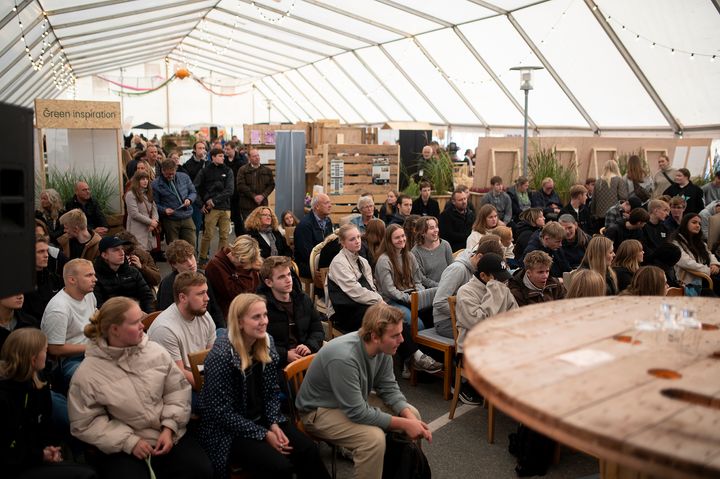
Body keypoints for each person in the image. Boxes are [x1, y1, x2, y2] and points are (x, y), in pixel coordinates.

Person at [68, 297, 212, 479]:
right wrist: (129, 442)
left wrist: (170, 427)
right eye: (135, 322)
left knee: (200, 470)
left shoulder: (156, 352)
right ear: (115, 330)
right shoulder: (88, 373)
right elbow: (86, 422)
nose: (142, 326)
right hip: (123, 446)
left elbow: (177, 391)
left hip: (167, 435)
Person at [197, 294, 329, 479]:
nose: (264, 321)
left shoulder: (266, 343)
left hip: (263, 418)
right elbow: (220, 413)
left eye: (265, 315)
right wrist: (264, 434)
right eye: (256, 317)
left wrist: (274, 424)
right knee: (280, 467)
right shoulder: (221, 356)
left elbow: (271, 391)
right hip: (229, 430)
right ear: (240, 322)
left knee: (307, 449)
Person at [295, 303, 432, 479]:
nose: (402, 340)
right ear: (375, 336)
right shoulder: (344, 357)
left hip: (350, 401)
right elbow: (357, 413)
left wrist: (409, 417)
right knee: (372, 440)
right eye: (395, 335)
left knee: (413, 414)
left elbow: (388, 388)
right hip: (318, 411)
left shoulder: (383, 348)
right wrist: (404, 424)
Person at [0, 329, 97, 479]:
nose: (48, 356)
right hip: (13, 465)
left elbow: (43, 427)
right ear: (33, 359)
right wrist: (39, 455)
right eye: (45, 351)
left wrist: (48, 450)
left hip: (31, 457)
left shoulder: (39, 384)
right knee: (87, 475)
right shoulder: (4, 395)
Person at [455, 253, 517, 405]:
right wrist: (494, 292)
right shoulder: (466, 292)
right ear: (483, 275)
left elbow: (516, 316)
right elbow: (481, 324)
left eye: (504, 277)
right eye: (498, 278)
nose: (503, 281)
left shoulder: (502, 288)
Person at [149, 271, 217, 391]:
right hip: (177, 385)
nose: (207, 298)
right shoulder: (165, 329)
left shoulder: (204, 314)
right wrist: (210, 391)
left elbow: (211, 356)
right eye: (201, 294)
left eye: (206, 292)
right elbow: (178, 373)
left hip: (199, 370)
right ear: (183, 297)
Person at [257, 256, 325, 369]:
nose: (288, 280)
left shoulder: (303, 299)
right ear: (269, 283)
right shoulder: (261, 307)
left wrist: (309, 346)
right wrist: (285, 355)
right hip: (276, 363)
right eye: (281, 277)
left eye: (289, 274)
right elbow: (258, 343)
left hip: (306, 355)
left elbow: (317, 330)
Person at [41, 259, 97, 386]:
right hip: (69, 361)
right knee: (95, 380)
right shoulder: (59, 309)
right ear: (72, 280)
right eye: (89, 275)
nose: (95, 279)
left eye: (93, 274)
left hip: (91, 351)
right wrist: (93, 348)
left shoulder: (89, 295)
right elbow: (54, 348)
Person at [374, 224, 436, 329]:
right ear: (389, 240)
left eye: (403, 236)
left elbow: (418, 281)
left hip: (412, 295)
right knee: (418, 326)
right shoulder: (384, 260)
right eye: (397, 237)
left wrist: (420, 295)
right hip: (392, 300)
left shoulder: (409, 256)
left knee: (436, 314)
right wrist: (408, 298)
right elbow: (389, 290)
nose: (401, 239)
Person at [156, 239, 224, 327]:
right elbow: (167, 317)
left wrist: (221, 331)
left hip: (207, 326)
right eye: (183, 261)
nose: (191, 263)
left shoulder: (201, 276)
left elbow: (215, 308)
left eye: (191, 257)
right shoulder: (168, 284)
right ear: (174, 265)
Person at [204, 235, 262, 319]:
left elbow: (255, 289)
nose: (244, 265)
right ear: (235, 254)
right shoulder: (216, 266)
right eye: (243, 263)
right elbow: (237, 294)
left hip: (245, 312)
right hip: (228, 316)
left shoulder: (246, 262)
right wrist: (246, 270)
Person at [93, 236, 155, 313]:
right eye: (116, 250)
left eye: (122, 249)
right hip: (112, 320)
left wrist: (149, 316)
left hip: (138, 316)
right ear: (104, 255)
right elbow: (99, 305)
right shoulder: (95, 277)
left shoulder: (133, 272)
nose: (122, 253)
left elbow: (147, 297)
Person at [194, 147, 234, 265]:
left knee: (224, 236)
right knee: (208, 235)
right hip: (211, 210)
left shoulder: (228, 170)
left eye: (223, 156)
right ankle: (202, 259)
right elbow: (195, 187)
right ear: (213, 157)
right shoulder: (205, 171)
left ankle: (220, 260)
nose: (223, 158)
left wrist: (214, 201)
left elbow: (230, 190)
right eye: (220, 156)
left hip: (225, 208)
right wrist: (201, 204)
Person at [670, 213, 720, 295]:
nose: (698, 226)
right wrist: (708, 270)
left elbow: (710, 254)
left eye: (699, 224)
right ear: (685, 224)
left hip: (704, 276)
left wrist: (715, 264)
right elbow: (686, 263)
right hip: (690, 281)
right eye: (694, 222)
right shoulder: (676, 242)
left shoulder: (700, 242)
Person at [152, 159, 197, 246]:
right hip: (170, 220)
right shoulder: (155, 184)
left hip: (186, 216)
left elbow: (193, 192)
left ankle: (192, 259)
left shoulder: (184, 177)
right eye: (168, 174)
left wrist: (189, 199)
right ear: (162, 171)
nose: (171, 176)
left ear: (176, 169)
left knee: (191, 244)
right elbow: (154, 204)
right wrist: (164, 210)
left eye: (173, 173)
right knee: (174, 247)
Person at [23, 236, 64, 322]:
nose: (46, 255)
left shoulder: (53, 278)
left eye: (47, 251)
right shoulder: (19, 282)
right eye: (41, 252)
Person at [236, 148, 275, 235]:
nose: (257, 158)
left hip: (262, 205)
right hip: (247, 206)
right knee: (249, 229)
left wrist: (263, 195)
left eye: (258, 155)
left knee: (262, 229)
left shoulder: (267, 170)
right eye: (254, 156)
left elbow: (271, 185)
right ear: (249, 158)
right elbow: (240, 185)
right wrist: (253, 196)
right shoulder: (242, 170)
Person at [294, 193, 333, 278]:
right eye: (326, 203)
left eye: (330, 203)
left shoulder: (328, 221)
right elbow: (306, 254)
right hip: (307, 264)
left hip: (323, 260)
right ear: (317, 207)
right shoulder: (304, 225)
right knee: (332, 274)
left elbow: (330, 246)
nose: (330, 205)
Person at [411, 216, 453, 288]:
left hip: (449, 286)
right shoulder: (415, 252)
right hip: (430, 290)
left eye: (436, 227)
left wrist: (449, 284)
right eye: (431, 228)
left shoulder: (445, 245)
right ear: (422, 232)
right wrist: (440, 286)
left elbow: (452, 268)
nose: (436, 230)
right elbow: (422, 278)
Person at [124, 171, 160, 252]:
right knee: (138, 253)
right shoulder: (130, 194)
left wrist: (155, 222)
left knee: (148, 253)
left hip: (149, 229)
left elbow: (154, 210)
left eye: (147, 179)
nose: (145, 181)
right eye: (142, 179)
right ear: (137, 181)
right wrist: (151, 222)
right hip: (136, 230)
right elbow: (134, 214)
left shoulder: (147, 193)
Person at [590, 160, 628, 230]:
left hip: (600, 216)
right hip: (614, 216)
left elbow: (593, 200)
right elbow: (623, 197)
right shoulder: (619, 180)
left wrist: (593, 213)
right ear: (616, 168)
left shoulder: (598, 181)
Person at [439, 187, 475, 252]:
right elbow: (447, 235)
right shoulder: (445, 215)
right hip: (453, 249)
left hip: (470, 248)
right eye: (460, 200)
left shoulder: (471, 214)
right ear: (453, 202)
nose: (464, 202)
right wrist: (466, 236)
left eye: (465, 199)